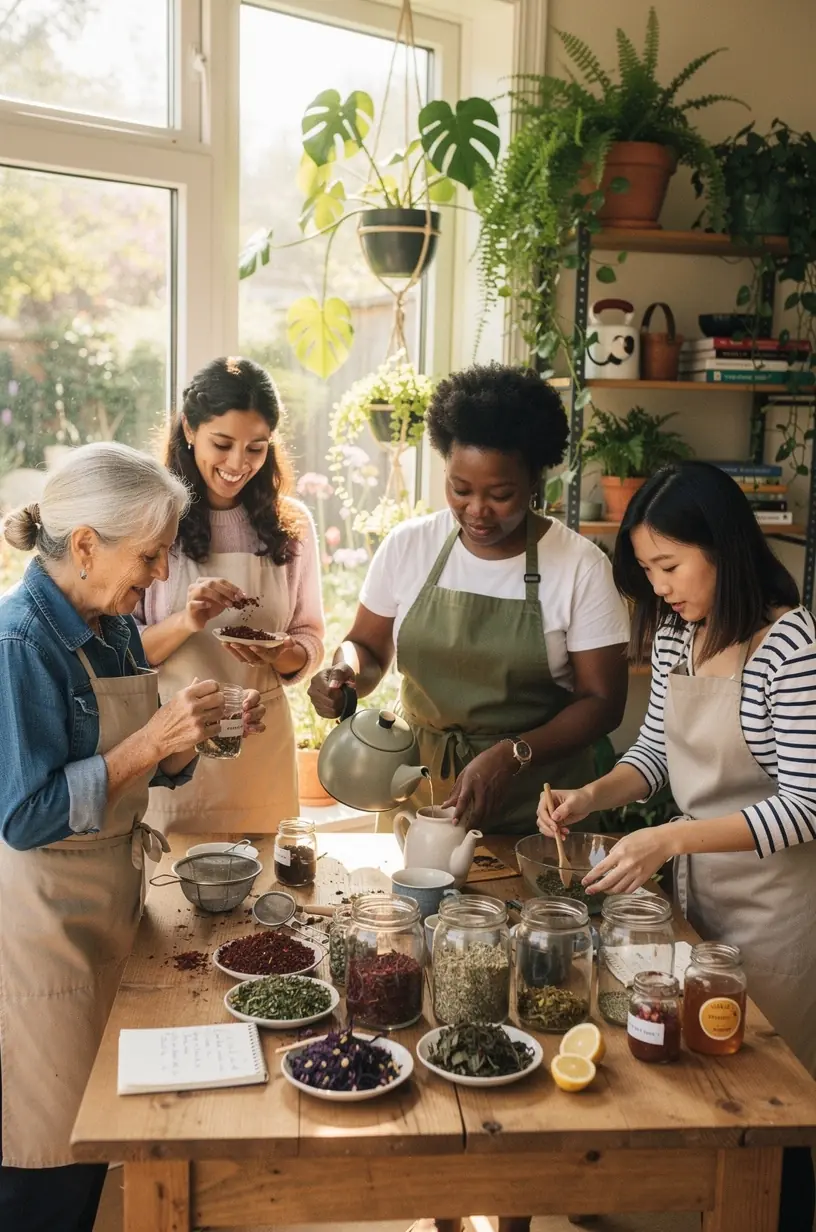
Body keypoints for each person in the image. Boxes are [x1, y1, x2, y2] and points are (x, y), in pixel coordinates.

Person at [537, 460, 816, 1231]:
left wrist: (668, 837)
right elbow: (654, 756)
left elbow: (807, 805)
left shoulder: (788, 647)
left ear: (722, 548)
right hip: (697, 898)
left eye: (670, 565)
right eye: (648, 570)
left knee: (771, 1098)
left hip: (776, 913)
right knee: (701, 1077)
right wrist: (591, 795)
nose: (659, 586)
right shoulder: (673, 638)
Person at [0, 442, 266, 1232]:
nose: (158, 577)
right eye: (149, 557)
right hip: (42, 927)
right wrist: (152, 742)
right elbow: (24, 814)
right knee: (43, 1157)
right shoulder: (21, 643)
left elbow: (144, 770)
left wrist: (198, 737)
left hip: (112, 901)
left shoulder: (109, 625)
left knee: (94, 1150)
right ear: (85, 546)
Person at [309, 361, 630, 837]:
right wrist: (344, 672)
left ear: (535, 480)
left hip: (542, 811)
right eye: (459, 489)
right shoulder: (408, 545)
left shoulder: (580, 565)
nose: (476, 511)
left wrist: (512, 754)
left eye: (500, 494)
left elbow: (603, 702)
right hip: (417, 796)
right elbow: (368, 648)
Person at [137, 356, 324, 835]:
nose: (238, 463)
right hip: (171, 750)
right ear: (189, 428)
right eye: (223, 444)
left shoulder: (292, 525)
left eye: (256, 448)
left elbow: (309, 638)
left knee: (266, 899)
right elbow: (119, 650)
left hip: (259, 754)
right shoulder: (153, 522)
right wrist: (187, 620)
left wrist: (282, 652)